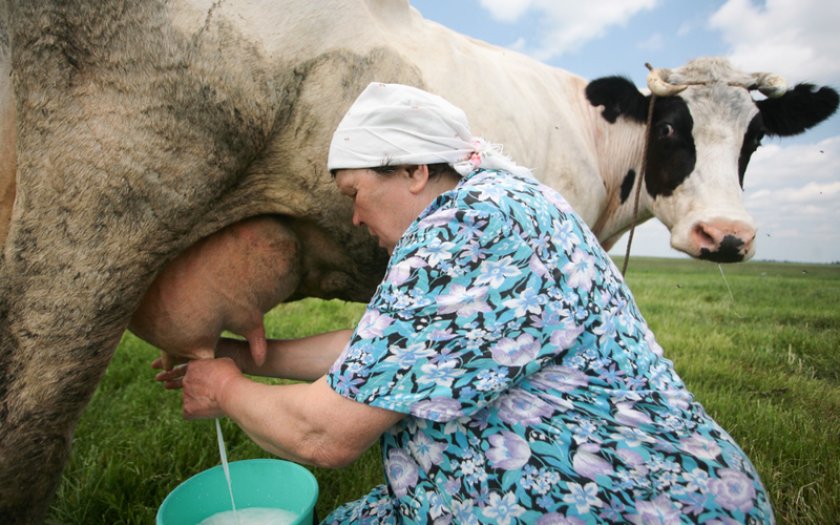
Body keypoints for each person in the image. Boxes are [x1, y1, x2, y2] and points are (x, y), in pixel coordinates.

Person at [155, 83, 774, 524]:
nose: (355, 218)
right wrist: (243, 356)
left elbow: (325, 434)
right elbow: (385, 353)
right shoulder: (503, 202)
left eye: (355, 193)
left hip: (626, 502)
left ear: (415, 171)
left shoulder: (464, 228)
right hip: (682, 490)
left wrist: (225, 389)